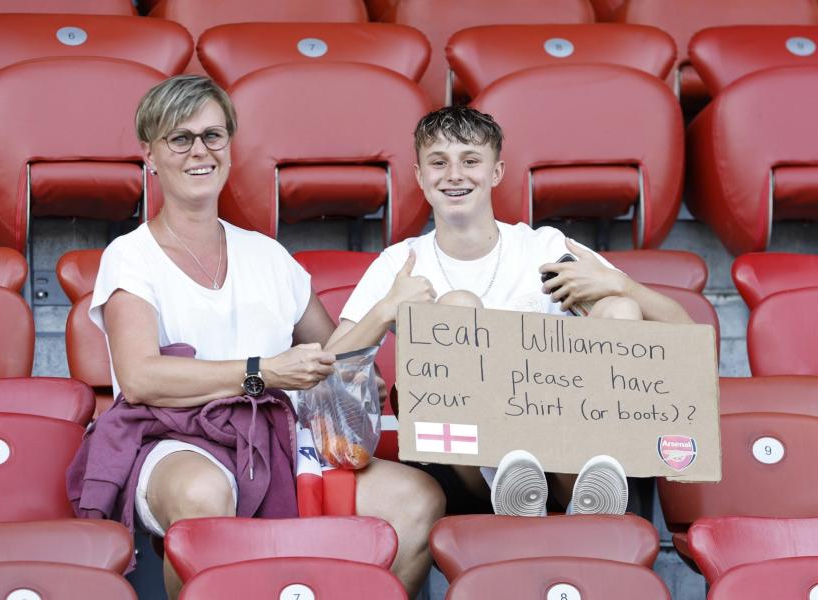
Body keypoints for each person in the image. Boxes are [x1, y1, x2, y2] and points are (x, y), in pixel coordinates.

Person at [67, 75, 444, 600]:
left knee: (415, 496)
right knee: (204, 491)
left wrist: (382, 315)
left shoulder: (267, 255)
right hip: (176, 441)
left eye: (213, 136)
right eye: (180, 138)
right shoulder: (131, 255)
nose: (200, 151)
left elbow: (332, 359)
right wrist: (262, 372)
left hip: (280, 439)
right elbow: (141, 376)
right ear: (149, 154)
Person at [326, 105, 694, 517]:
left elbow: (687, 338)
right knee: (456, 309)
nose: (454, 175)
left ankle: (588, 497)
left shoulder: (546, 248)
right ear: (419, 177)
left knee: (620, 309)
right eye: (438, 163)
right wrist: (385, 311)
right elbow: (326, 371)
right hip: (470, 472)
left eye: (470, 161)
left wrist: (621, 285)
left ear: (496, 172)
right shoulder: (402, 263)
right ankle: (514, 484)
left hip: (570, 458)